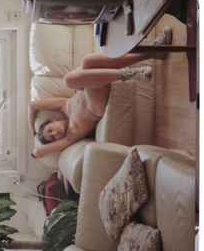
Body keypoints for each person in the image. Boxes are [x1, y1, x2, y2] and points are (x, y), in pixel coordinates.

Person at [29, 27, 171, 159]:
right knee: (70, 78)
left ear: (52, 121)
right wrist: (36, 144)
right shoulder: (70, 136)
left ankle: (148, 55)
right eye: (53, 138)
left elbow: (33, 106)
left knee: (87, 62)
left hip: (88, 87)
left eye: (50, 130)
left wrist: (32, 129)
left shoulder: (62, 106)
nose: (55, 133)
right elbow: (38, 152)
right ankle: (139, 63)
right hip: (94, 106)